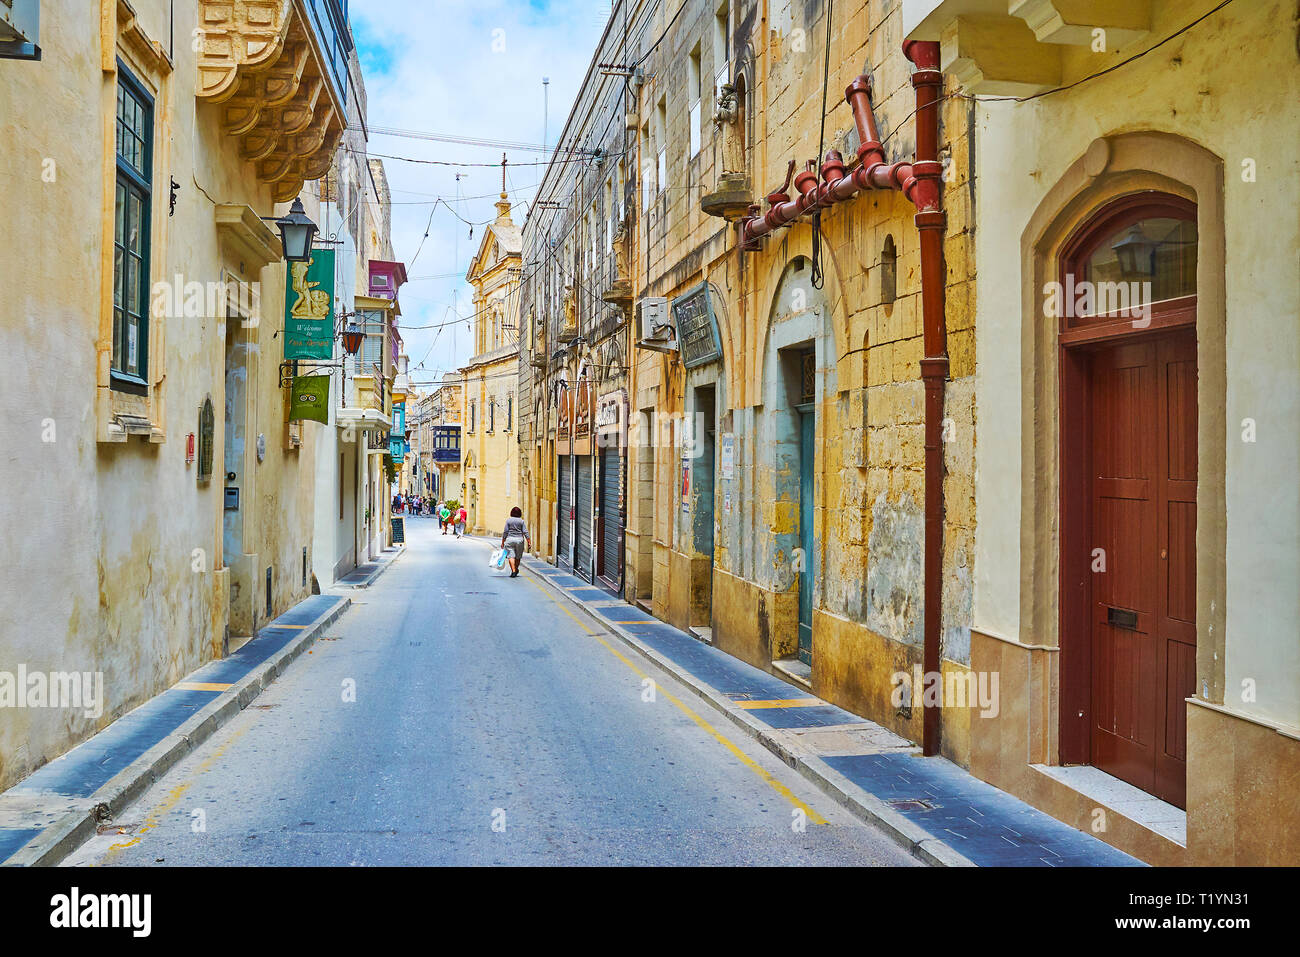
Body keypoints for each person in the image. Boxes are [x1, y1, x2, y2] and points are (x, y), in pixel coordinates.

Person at [500, 506, 531, 578]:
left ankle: (513, 570)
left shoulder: (508, 520)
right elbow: (525, 532)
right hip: (519, 540)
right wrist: (529, 542)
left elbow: (505, 532)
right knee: (518, 557)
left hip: (510, 540)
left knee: (510, 556)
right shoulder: (521, 521)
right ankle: (516, 569)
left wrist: (503, 542)